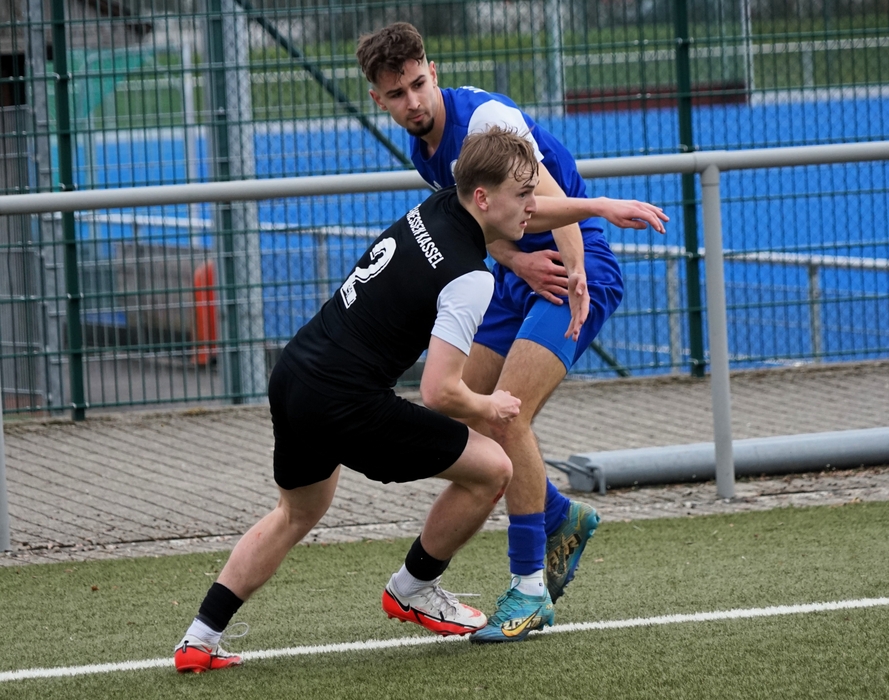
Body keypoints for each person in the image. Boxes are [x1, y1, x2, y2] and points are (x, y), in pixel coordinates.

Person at [173, 127, 542, 672]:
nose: (535, 206)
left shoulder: (440, 203)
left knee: (296, 512)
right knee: (493, 469)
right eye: (525, 194)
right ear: (484, 198)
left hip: (295, 373)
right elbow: (439, 391)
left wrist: (597, 207)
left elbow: (509, 212)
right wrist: (491, 407)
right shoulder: (470, 278)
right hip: (344, 400)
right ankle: (413, 588)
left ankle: (199, 639)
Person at [356, 23, 669, 644]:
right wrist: (515, 262)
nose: (412, 102)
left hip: (571, 264)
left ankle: (529, 590)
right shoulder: (424, 149)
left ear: (433, 72)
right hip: (520, 271)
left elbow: (549, 201)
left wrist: (576, 272)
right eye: (396, 94)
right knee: (461, 413)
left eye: (418, 85)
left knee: (508, 414)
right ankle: (558, 514)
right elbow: (485, 226)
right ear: (378, 100)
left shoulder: (485, 122)